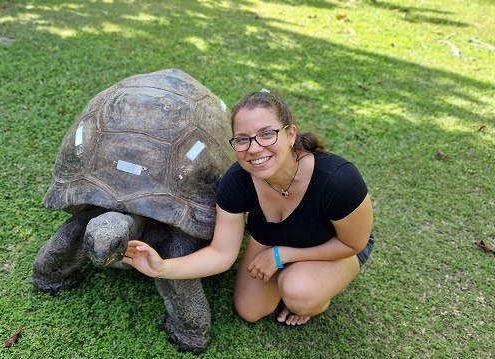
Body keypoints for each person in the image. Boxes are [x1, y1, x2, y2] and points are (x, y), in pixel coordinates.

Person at [122, 90, 374, 326]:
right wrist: (162, 268)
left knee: (300, 293)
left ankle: (316, 298)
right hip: (273, 238)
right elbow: (221, 253)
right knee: (250, 310)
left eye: (267, 134)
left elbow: (353, 244)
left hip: (336, 244)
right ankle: (300, 275)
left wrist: (281, 255)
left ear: (290, 134)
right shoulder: (237, 181)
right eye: (243, 139)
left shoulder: (337, 179)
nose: (254, 148)